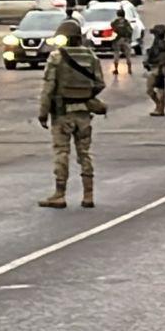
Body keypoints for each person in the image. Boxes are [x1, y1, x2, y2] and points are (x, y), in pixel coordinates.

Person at [36, 19, 105, 209]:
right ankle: (88, 195)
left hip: (62, 113)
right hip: (83, 113)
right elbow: (99, 83)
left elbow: (48, 88)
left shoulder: (56, 58)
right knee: (84, 153)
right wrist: (85, 96)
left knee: (61, 152)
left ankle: (59, 194)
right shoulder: (91, 57)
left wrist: (43, 113)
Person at [144, 23, 165, 117]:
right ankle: (160, 107)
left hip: (157, 68)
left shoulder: (159, 45)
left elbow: (158, 58)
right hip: (160, 68)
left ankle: (159, 107)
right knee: (159, 89)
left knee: (152, 89)